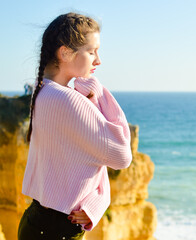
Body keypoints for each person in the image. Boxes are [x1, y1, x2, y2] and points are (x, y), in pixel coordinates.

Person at [17, 12, 132, 240]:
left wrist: (99, 200)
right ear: (66, 52)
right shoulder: (68, 101)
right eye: (91, 52)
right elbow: (121, 155)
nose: (98, 60)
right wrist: (97, 92)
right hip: (56, 230)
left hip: (38, 222)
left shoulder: (43, 93)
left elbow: (88, 156)